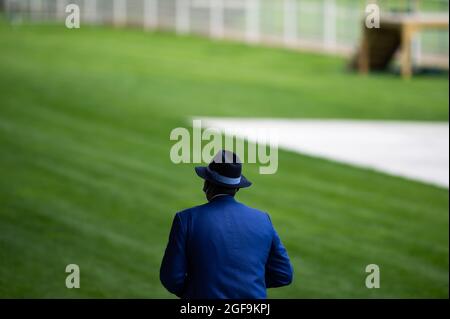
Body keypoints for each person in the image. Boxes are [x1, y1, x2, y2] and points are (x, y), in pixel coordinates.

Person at [160, 150, 293, 299]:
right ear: (237, 188)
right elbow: (283, 274)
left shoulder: (186, 219)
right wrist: (247, 285)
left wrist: (198, 289)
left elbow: (171, 278)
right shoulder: (263, 219)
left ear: (206, 184)